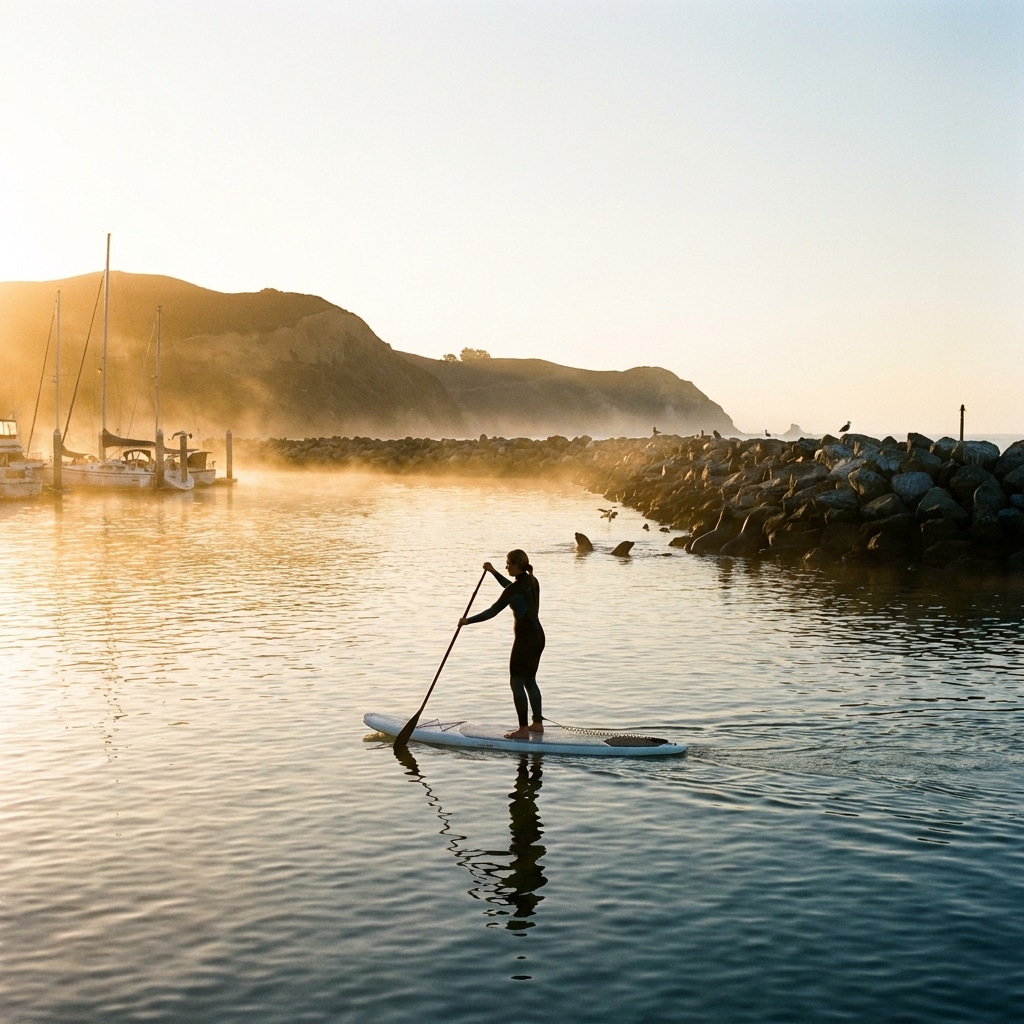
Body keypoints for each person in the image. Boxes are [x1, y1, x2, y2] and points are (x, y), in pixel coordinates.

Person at [460, 549, 545, 740]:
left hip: (524, 641)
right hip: (539, 637)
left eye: (508, 563)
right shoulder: (532, 581)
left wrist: (467, 621)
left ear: (516, 564)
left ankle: (523, 730)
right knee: (530, 680)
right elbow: (510, 587)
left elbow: (492, 611)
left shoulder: (514, 589)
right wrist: (493, 572)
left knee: (516, 682)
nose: (506, 566)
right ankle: (537, 723)